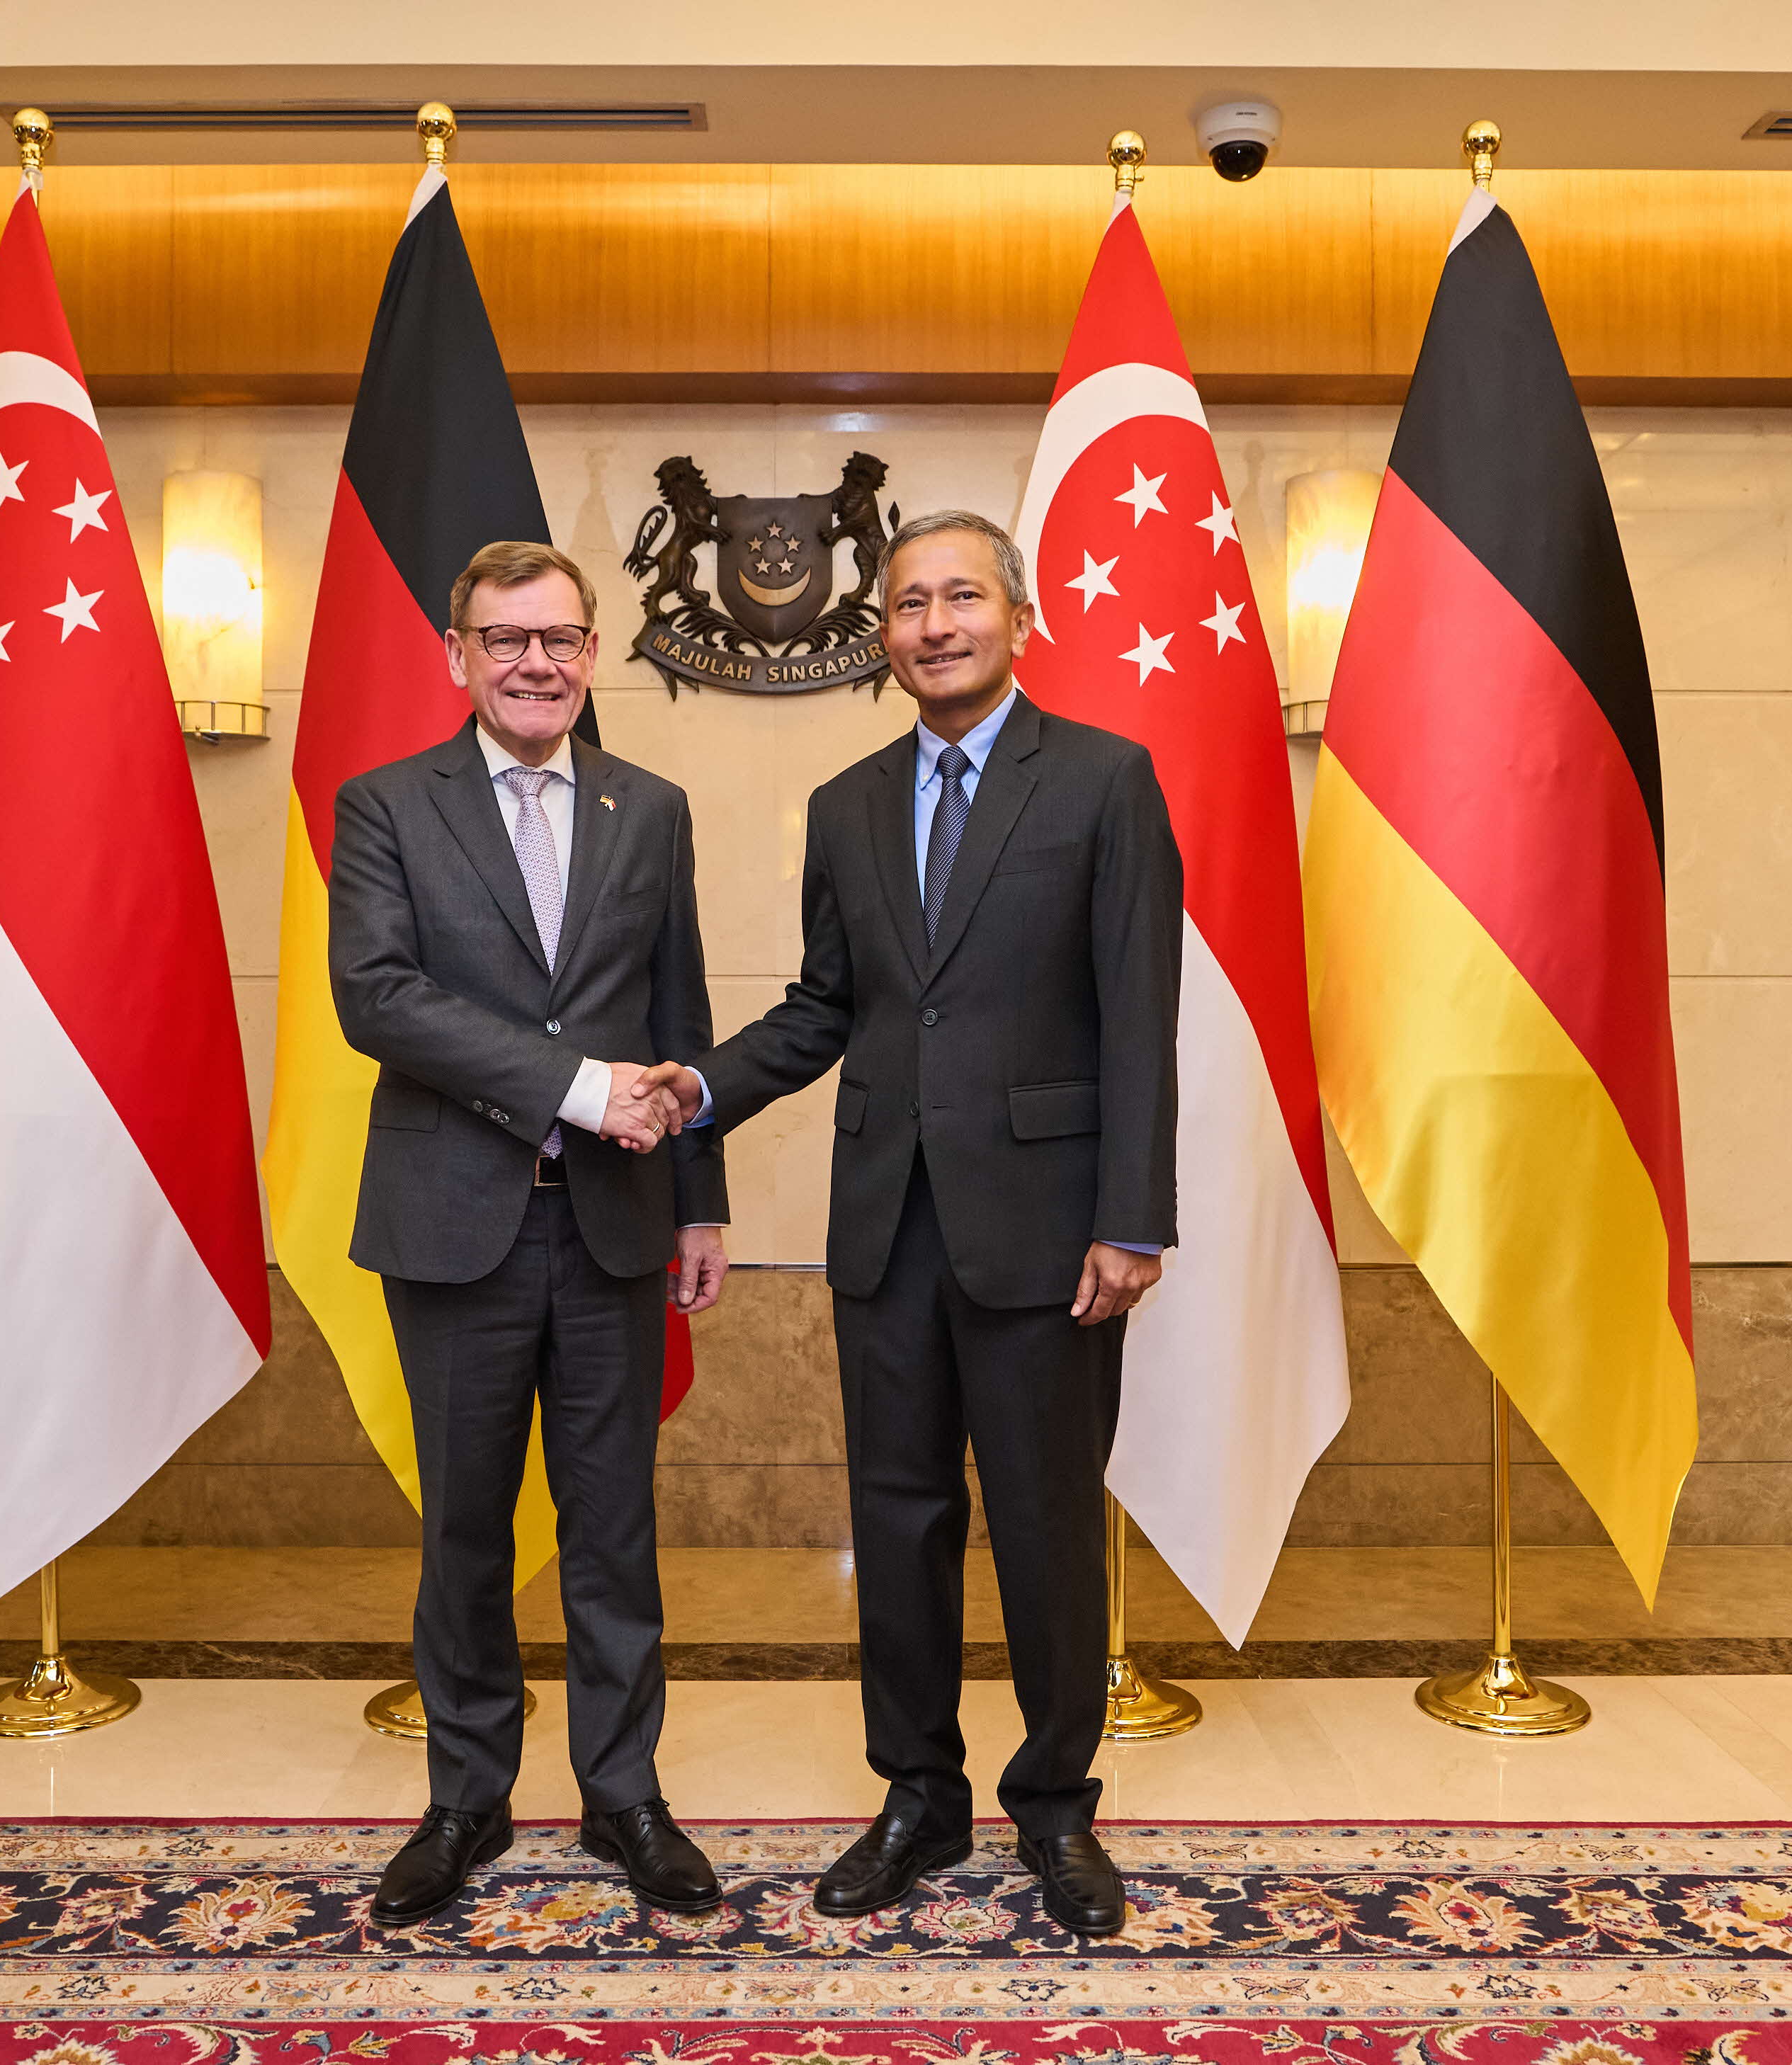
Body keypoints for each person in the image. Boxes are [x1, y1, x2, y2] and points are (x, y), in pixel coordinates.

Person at [644, 509, 1181, 1938]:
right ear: (880, 635)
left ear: (1019, 617)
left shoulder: (1107, 782)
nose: (933, 624)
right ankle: (918, 1796)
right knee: (898, 1522)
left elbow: (1140, 1010)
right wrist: (700, 1087)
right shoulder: (849, 803)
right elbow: (833, 1004)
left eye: (960, 598)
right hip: (886, 1228)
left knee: (1050, 1528)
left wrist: (1133, 1216)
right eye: (907, 604)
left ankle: (1058, 1810)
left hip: (1052, 1228)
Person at [329, 540, 731, 1923]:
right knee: (468, 1534)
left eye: (559, 638)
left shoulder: (650, 807)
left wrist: (706, 1198)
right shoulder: (385, 804)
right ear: (458, 654)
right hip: (453, 1228)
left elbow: (679, 1013)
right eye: (505, 639)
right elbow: (376, 998)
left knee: (616, 1530)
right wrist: (572, 1087)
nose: (535, 663)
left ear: (593, 650)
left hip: (616, 1230)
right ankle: (466, 1801)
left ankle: (624, 1796)